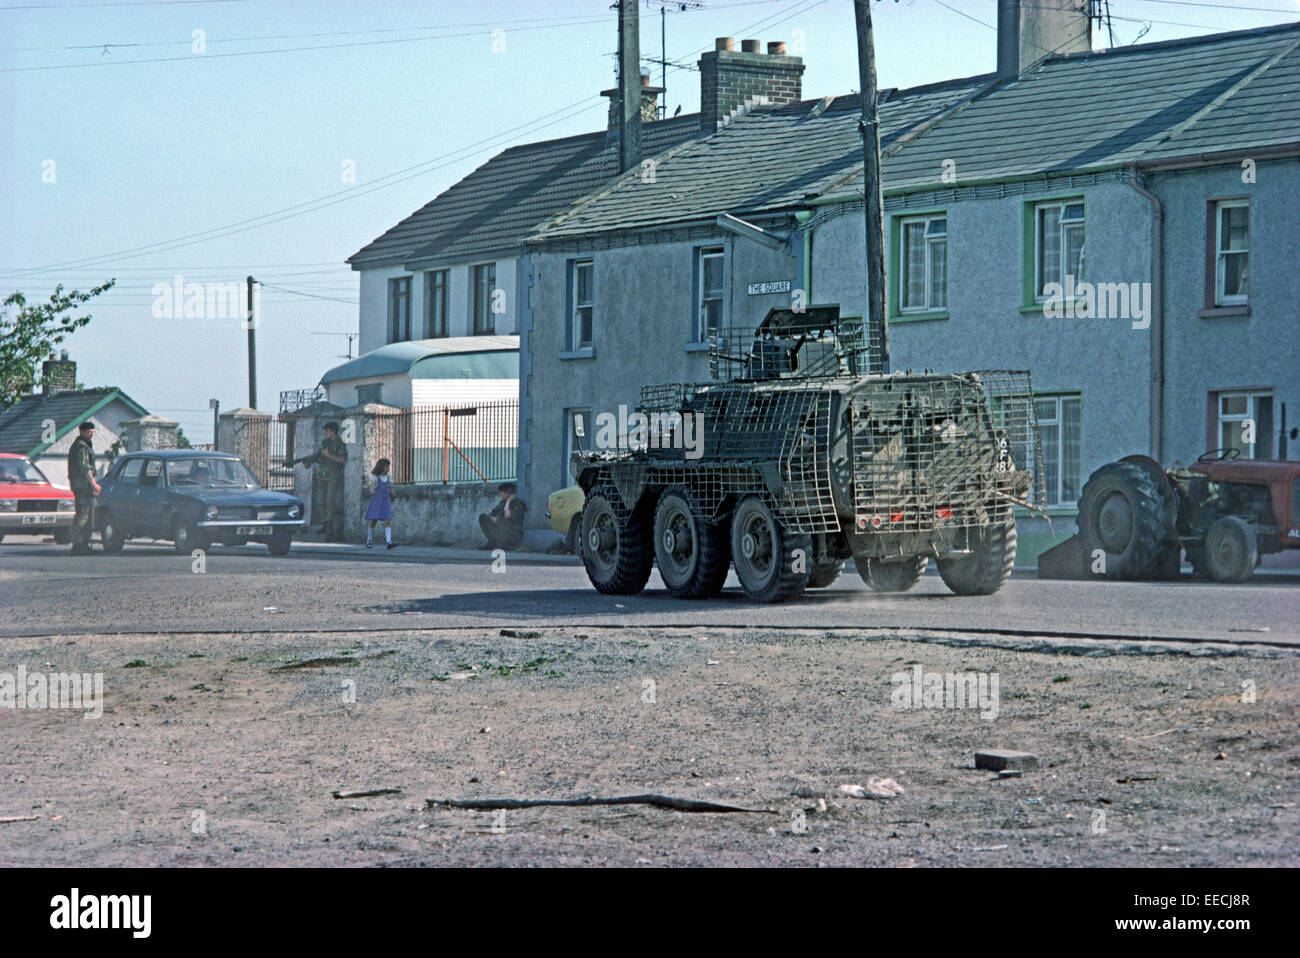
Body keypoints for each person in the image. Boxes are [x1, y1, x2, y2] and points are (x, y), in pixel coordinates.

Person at [66, 421, 100, 556]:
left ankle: (83, 545)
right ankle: (79, 545)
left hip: (83, 486)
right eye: (88, 432)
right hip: (83, 486)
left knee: (88, 515)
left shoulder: (82, 446)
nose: (91, 435)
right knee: (83, 516)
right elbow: (85, 468)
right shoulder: (81, 447)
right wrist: (94, 484)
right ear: (82, 432)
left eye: (92, 432)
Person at [315, 421, 348, 540]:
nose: (325, 433)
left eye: (327, 430)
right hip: (322, 475)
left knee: (330, 502)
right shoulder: (325, 442)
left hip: (333, 475)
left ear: (333, 431)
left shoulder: (339, 443)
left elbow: (342, 459)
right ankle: (324, 523)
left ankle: (330, 529)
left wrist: (328, 455)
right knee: (321, 501)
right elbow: (320, 456)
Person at [479, 482, 527, 551]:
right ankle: (492, 542)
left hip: (512, 534)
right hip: (500, 530)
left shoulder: (519, 503)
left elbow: (508, 515)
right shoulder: (502, 503)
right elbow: (491, 515)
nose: (501, 495)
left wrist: (508, 501)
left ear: (507, 493)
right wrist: (495, 518)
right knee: (483, 518)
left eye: (502, 493)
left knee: (504, 520)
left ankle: (504, 545)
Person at [364, 458, 396, 550]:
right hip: (377, 502)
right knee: (373, 521)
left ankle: (389, 542)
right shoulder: (375, 477)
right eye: (386, 467)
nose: (387, 469)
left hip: (385, 502)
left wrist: (392, 492)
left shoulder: (389, 478)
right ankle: (369, 540)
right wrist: (372, 490)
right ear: (381, 467)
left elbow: (390, 488)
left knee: (387, 521)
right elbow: (372, 488)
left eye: (388, 467)